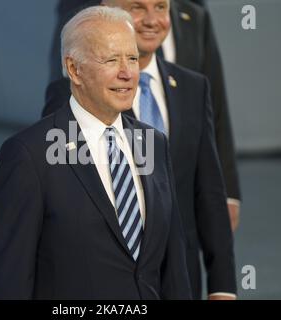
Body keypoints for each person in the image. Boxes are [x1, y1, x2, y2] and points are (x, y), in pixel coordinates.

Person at [0, 6, 191, 299]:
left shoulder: (153, 143)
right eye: (111, 59)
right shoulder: (29, 155)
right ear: (74, 69)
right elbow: (7, 282)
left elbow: (174, 267)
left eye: (132, 58)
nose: (127, 73)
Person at [43, 0, 237, 300]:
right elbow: (58, 202)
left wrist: (223, 288)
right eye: (137, 7)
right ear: (108, 9)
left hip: (180, 281)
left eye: (161, 7)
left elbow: (208, 192)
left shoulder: (192, 88)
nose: (152, 20)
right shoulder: (68, 95)